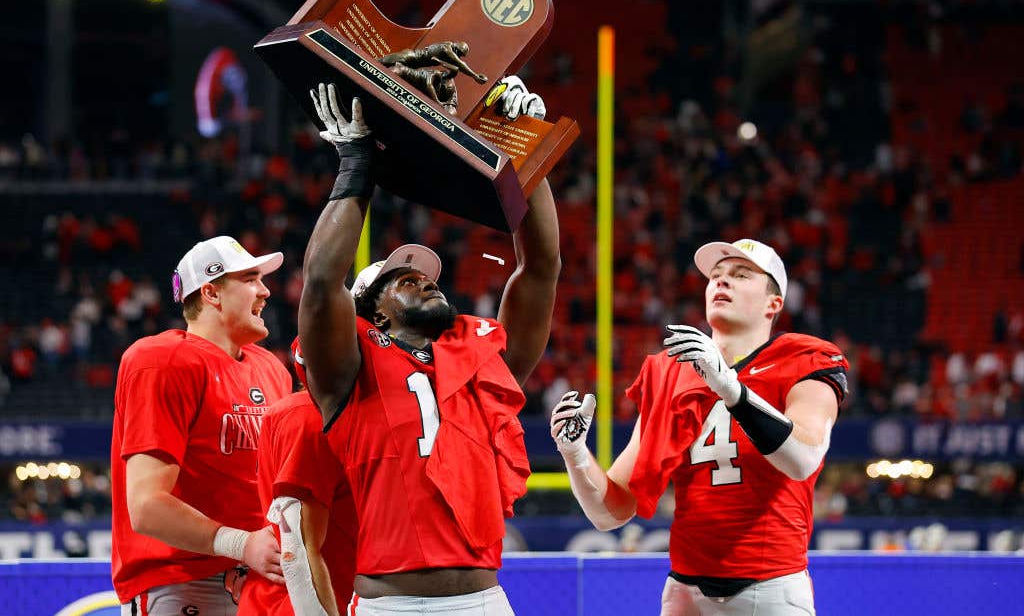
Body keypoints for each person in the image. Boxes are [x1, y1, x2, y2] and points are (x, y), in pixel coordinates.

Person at [298, 79, 559, 615]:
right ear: (372, 310)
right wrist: (357, 164)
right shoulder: (349, 367)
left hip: (483, 601)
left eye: (425, 275)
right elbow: (323, 282)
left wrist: (524, 152)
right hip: (387, 606)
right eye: (404, 279)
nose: (424, 279)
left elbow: (540, 269)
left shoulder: (481, 356)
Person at [551, 238, 849, 616]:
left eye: (741, 275)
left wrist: (731, 389)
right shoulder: (671, 372)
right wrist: (575, 453)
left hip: (770, 590)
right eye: (717, 276)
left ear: (773, 304)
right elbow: (610, 513)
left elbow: (803, 458)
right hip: (684, 593)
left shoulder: (803, 359)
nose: (722, 282)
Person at [111, 235, 293, 615]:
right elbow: (145, 506)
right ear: (211, 293)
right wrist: (241, 544)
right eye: (250, 279)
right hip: (183, 583)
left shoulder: (272, 369)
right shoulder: (161, 361)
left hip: (262, 581)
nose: (265, 291)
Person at [238, 338, 357, 616]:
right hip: (303, 604)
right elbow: (298, 553)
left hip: (329, 594)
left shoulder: (326, 414)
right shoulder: (310, 417)